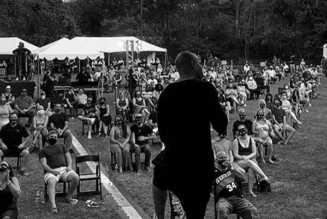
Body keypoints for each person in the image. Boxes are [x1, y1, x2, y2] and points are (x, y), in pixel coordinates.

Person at [153, 51, 228, 219]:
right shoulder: (205, 88)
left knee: (159, 178)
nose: (202, 66)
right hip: (199, 165)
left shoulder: (166, 93)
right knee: (195, 213)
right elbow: (221, 126)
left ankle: (159, 216)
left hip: (174, 161)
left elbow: (163, 134)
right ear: (194, 64)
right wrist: (222, 110)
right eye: (200, 62)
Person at [39, 131, 80, 214]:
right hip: (51, 171)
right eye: (51, 136)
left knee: (76, 177)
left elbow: (68, 157)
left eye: (55, 137)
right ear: (47, 138)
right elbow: (44, 164)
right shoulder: (43, 150)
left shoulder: (62, 146)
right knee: (51, 182)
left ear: (57, 139)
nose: (53, 138)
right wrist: (52, 171)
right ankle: (54, 206)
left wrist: (69, 166)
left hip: (64, 169)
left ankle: (69, 196)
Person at [214, 151, 260, 219]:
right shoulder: (214, 171)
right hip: (223, 199)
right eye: (221, 158)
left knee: (253, 211)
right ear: (216, 160)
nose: (224, 159)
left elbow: (243, 179)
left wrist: (232, 169)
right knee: (222, 210)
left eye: (225, 157)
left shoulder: (232, 167)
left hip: (239, 198)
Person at [232, 124, 265, 197]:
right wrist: (242, 157)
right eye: (240, 130)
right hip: (240, 161)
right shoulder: (236, 141)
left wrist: (248, 157)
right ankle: (263, 176)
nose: (242, 131)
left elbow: (254, 152)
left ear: (246, 130)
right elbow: (235, 154)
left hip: (250, 160)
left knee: (251, 169)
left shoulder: (251, 139)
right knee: (249, 162)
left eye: (243, 129)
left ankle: (250, 190)